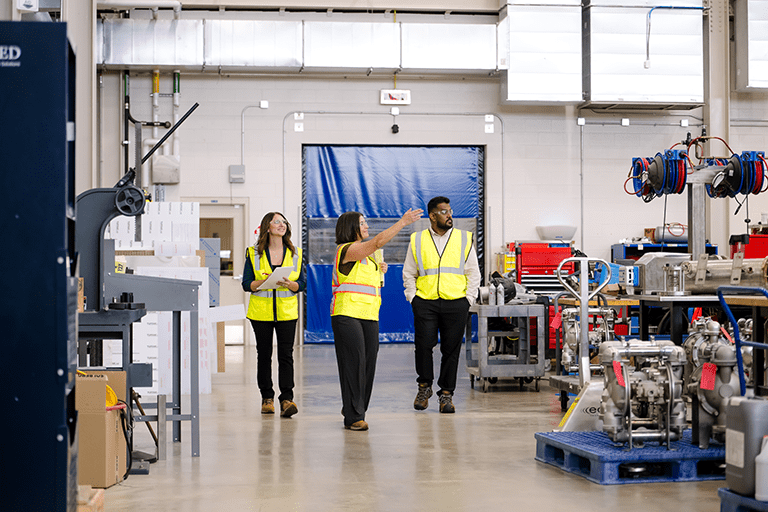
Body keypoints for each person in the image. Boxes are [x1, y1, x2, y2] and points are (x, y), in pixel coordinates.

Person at [332, 208, 423, 431]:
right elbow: (377, 242)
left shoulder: (371, 258)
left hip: (370, 315)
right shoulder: (345, 249)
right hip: (347, 313)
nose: (366, 227)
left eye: (366, 223)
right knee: (354, 364)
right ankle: (353, 417)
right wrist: (402, 222)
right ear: (350, 227)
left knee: (368, 365)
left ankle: (354, 406)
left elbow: (376, 283)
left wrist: (379, 269)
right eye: (362, 224)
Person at [403, 196, 481, 413]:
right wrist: (413, 297)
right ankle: (424, 386)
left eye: (450, 211)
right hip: (425, 302)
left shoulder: (464, 238)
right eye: (445, 212)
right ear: (432, 215)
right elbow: (409, 272)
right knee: (424, 346)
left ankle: (446, 394)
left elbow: (473, 272)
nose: (450, 216)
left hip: (456, 302)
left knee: (451, 350)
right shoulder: (417, 239)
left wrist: (468, 299)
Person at [242, 212, 306, 418]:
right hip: (261, 313)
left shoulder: (296, 253)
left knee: (286, 356)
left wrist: (292, 284)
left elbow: (301, 284)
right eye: (277, 221)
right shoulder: (254, 253)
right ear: (267, 227)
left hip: (287, 312)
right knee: (264, 355)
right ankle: (267, 398)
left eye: (284, 222)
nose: (282, 225)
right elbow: (246, 284)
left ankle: (287, 399)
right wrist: (263, 282)